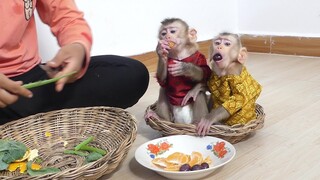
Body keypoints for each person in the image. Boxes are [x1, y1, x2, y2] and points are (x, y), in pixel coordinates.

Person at [0, 1, 149, 124]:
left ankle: (18, 122)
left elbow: (64, 13)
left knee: (130, 74)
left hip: (28, 81)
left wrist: (77, 44)